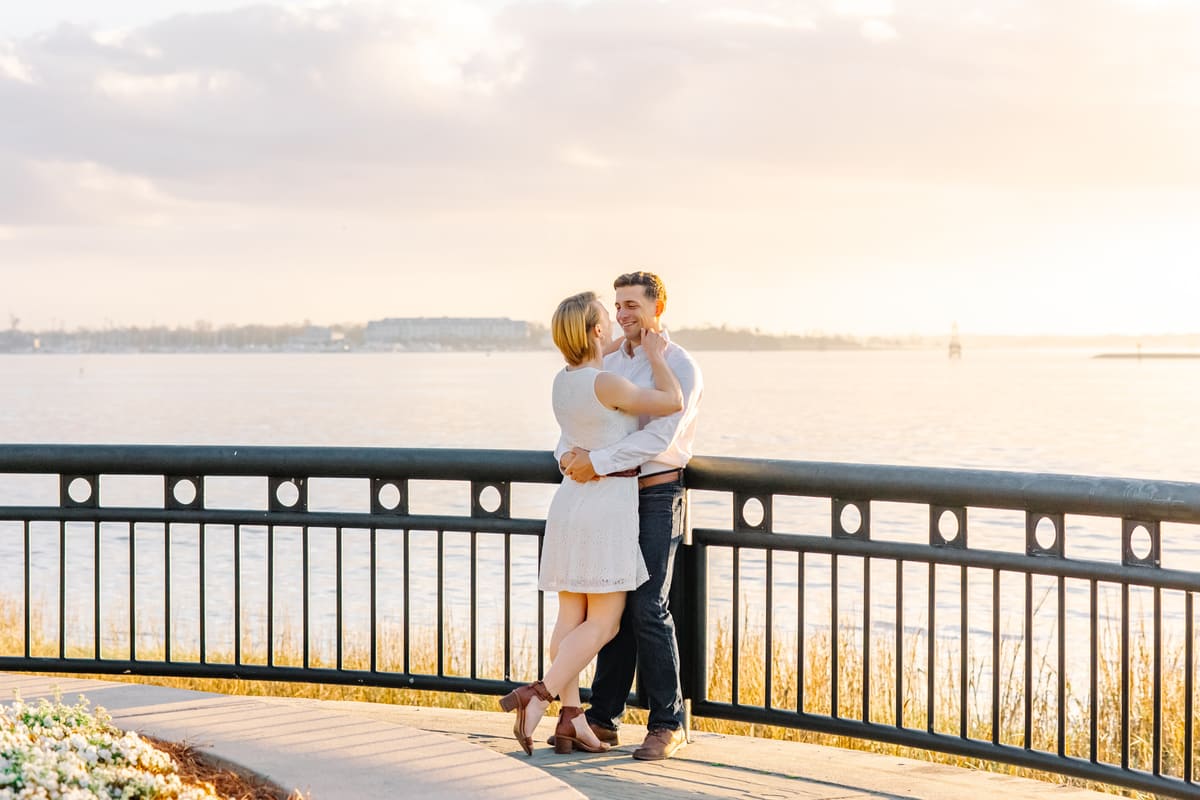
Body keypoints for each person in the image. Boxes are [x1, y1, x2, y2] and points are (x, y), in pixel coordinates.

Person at [499, 290, 683, 756]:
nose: (616, 317)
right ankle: (537, 696)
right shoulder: (607, 383)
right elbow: (671, 400)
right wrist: (660, 357)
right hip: (605, 506)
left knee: (569, 618)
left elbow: (567, 439)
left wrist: (571, 455)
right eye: (609, 313)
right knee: (604, 622)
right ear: (597, 329)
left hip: (570, 504)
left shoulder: (562, 381)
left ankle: (572, 718)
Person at [555, 270, 703, 761]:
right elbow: (585, 418)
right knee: (608, 598)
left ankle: (668, 722)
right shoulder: (610, 360)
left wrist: (594, 462)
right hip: (611, 499)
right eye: (617, 306)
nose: (622, 314)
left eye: (633, 306)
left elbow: (659, 437)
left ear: (658, 308)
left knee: (646, 607)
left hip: (658, 494)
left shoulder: (681, 365)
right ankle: (602, 717)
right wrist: (569, 453)